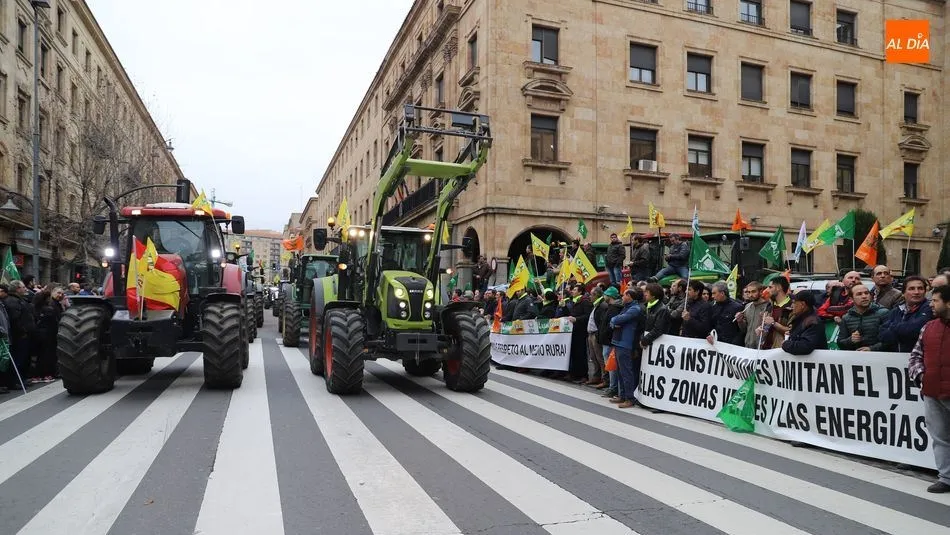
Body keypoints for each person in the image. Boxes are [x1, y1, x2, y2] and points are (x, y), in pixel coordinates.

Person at [907, 284, 950, 493]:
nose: (930, 304)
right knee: (940, 437)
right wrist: (921, 375)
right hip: (932, 392)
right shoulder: (929, 327)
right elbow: (915, 356)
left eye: (935, 301)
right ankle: (946, 478)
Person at [782, 291, 826, 355]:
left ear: (802, 304)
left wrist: (786, 344)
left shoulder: (813, 322)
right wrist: (792, 336)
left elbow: (805, 346)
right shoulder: (802, 319)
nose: (792, 305)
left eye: (794, 303)